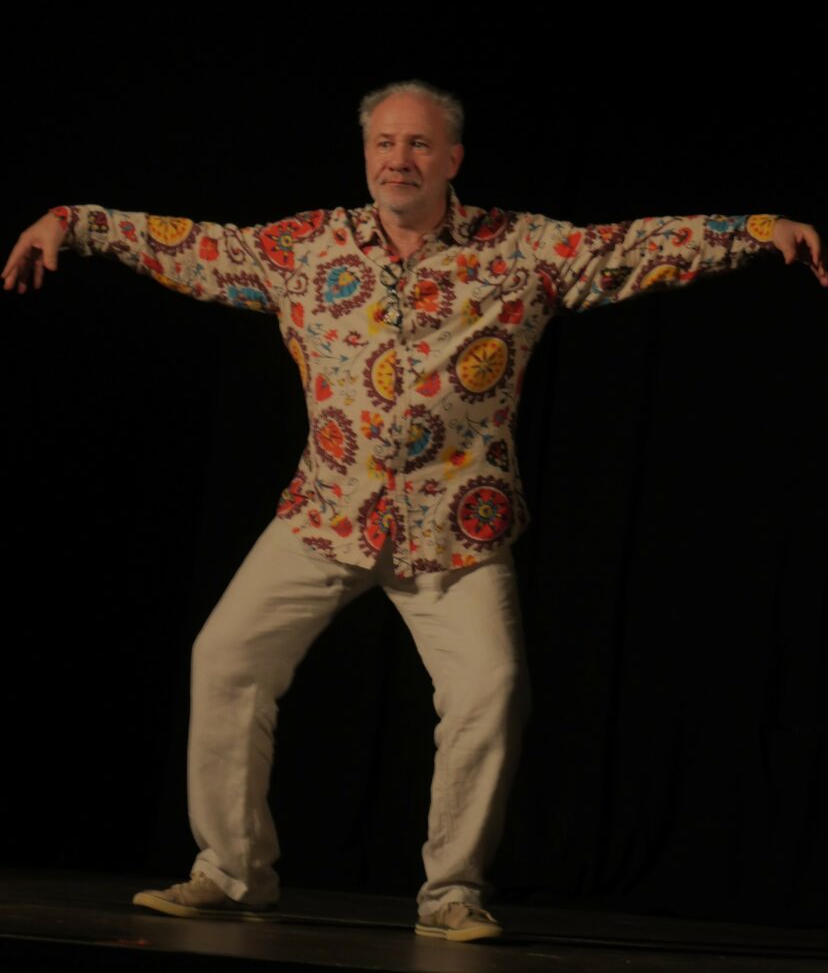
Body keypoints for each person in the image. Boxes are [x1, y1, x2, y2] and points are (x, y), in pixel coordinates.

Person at [4, 81, 826, 943]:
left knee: (490, 691)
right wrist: (74, 222)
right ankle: (233, 872)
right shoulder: (305, 247)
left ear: (453, 158)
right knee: (225, 660)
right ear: (367, 155)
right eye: (385, 144)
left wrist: (756, 232)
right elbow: (190, 245)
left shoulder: (519, 250)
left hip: (456, 528)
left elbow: (629, 248)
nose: (399, 159)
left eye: (419, 144)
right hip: (326, 513)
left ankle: (453, 891)